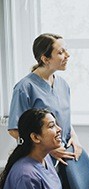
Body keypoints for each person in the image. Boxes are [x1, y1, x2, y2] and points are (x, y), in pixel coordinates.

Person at [8, 33, 81, 165]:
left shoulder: (63, 85)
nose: (67, 55)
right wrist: (48, 150)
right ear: (45, 59)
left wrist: (74, 138)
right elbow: (15, 130)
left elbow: (63, 120)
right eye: (61, 52)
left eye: (66, 50)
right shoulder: (24, 88)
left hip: (65, 155)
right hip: (41, 159)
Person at [0, 108, 89, 189]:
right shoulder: (26, 176)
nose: (59, 129)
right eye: (51, 126)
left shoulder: (45, 158)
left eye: (57, 125)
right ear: (35, 137)